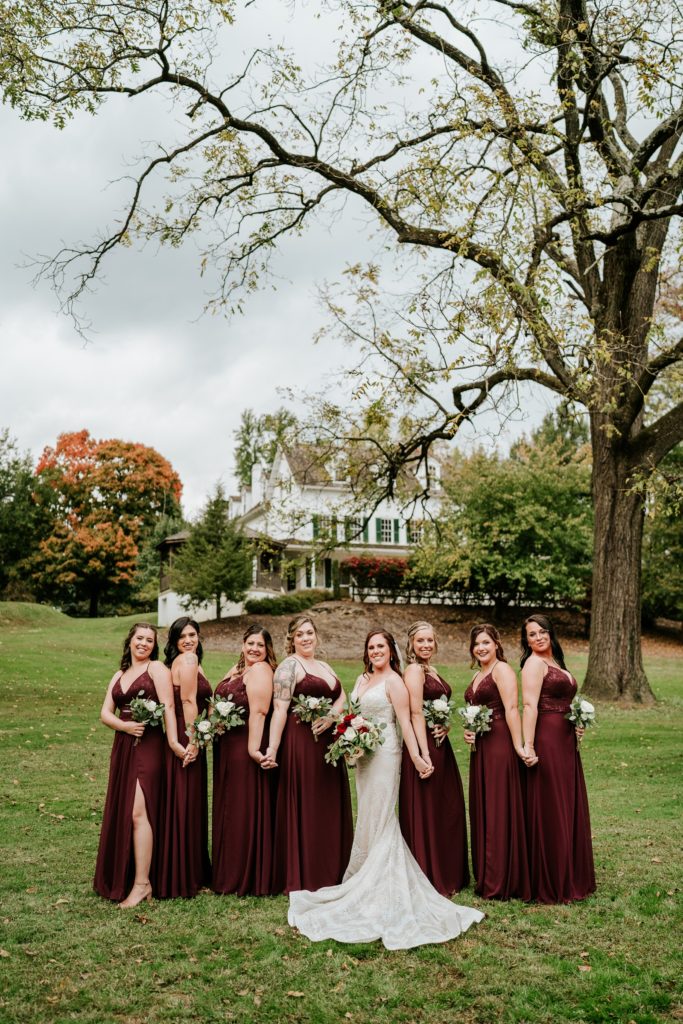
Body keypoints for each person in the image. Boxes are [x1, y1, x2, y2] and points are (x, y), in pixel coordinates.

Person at [288, 629, 484, 949]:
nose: (376, 651)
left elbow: (406, 722)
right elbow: (352, 714)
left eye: (381, 646)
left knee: (381, 816)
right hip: (364, 755)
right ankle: (363, 874)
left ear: (391, 651)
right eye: (371, 647)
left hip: (387, 754)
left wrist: (419, 757)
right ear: (367, 652)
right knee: (366, 814)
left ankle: (378, 883)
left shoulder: (395, 681)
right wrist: (349, 740)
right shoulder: (363, 679)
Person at [94, 622, 183, 908]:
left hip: (150, 745)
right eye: (139, 638)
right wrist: (124, 725)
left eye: (149, 640)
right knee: (128, 811)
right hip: (124, 745)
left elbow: (169, 706)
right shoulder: (119, 675)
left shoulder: (156, 669)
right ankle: (130, 875)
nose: (144, 643)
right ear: (130, 641)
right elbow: (105, 713)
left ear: (154, 645)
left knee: (136, 811)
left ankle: (143, 883)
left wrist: (172, 742)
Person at [267, 614, 353, 894]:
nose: (305, 638)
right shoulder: (288, 667)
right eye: (299, 634)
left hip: (327, 744)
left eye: (309, 633)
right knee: (308, 802)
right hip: (301, 743)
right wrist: (272, 749)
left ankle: (331, 867)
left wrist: (331, 716)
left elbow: (342, 696)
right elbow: (279, 709)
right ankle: (307, 871)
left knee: (327, 803)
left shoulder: (324, 665)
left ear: (317, 635)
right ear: (291, 639)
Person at [521, 614, 596, 903]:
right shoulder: (533, 664)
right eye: (531, 634)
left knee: (566, 802)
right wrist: (529, 746)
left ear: (551, 633)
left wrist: (576, 723)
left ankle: (571, 870)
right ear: (526, 640)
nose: (538, 637)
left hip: (565, 741)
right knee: (552, 804)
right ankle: (553, 877)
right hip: (548, 740)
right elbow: (529, 705)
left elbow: (564, 701)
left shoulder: (556, 663)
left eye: (542, 632)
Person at [398, 620, 469, 895]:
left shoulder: (433, 670)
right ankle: (429, 873)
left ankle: (448, 868)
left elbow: (435, 710)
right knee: (428, 806)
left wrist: (447, 725)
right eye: (420, 641)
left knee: (445, 807)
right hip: (423, 744)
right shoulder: (414, 670)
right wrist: (424, 753)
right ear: (411, 645)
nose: (426, 645)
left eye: (430, 640)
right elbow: (415, 712)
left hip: (441, 743)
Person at [463, 624, 531, 900]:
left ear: (496, 644)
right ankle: (487, 872)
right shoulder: (479, 673)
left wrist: (518, 745)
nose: (481, 648)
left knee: (498, 808)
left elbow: (512, 708)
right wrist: (470, 730)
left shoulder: (501, 670)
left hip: (500, 743)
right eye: (476, 644)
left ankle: (502, 878)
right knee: (486, 807)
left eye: (486, 643)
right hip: (481, 746)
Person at [212, 624, 278, 896]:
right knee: (230, 805)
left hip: (246, 745)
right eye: (250, 643)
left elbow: (260, 712)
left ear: (267, 650)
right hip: (227, 746)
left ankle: (246, 874)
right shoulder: (239, 669)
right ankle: (227, 869)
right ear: (242, 644)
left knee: (242, 806)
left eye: (260, 645)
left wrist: (252, 749)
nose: (254, 649)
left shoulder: (261, 670)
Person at [157, 616, 213, 898]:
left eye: (193, 634)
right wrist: (195, 740)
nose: (189, 640)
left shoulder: (189, 660)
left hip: (185, 730)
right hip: (187, 733)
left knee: (184, 799)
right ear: (174, 641)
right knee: (185, 799)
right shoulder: (188, 661)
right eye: (182, 636)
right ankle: (184, 874)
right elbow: (189, 701)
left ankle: (184, 868)